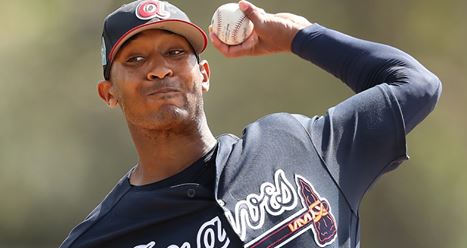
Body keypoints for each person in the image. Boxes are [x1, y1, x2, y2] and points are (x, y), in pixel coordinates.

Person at [60, 0, 441, 247]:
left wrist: (300, 37)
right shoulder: (103, 238)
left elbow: (416, 84)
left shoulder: (297, 144)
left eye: (176, 53)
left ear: (204, 75)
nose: (160, 69)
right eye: (135, 60)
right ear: (109, 93)